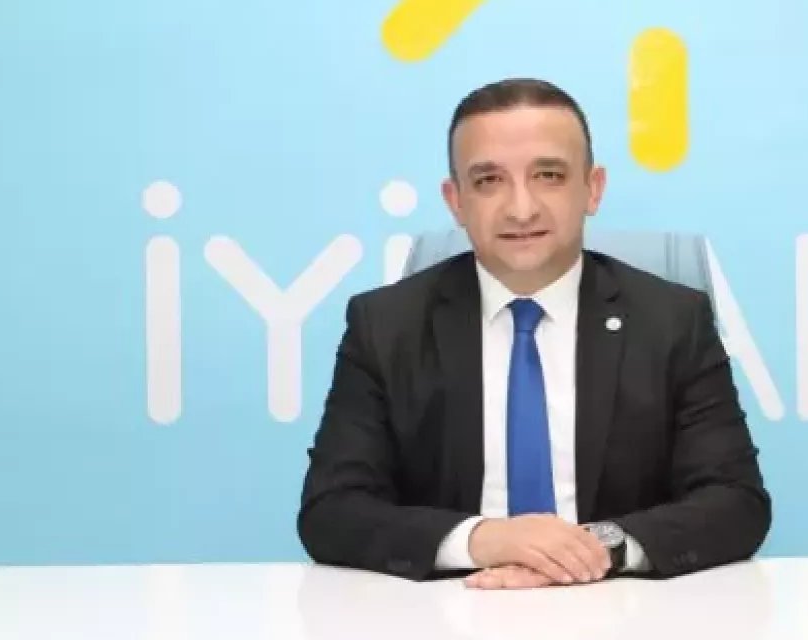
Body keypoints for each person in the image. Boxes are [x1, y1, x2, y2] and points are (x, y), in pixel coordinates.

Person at [296, 77, 771, 589]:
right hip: (450, 607)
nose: (521, 209)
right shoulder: (386, 325)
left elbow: (735, 501)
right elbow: (332, 510)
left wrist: (594, 548)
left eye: (549, 175)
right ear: (456, 201)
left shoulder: (673, 320)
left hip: (617, 607)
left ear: (592, 188)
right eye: (488, 180)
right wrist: (482, 539)